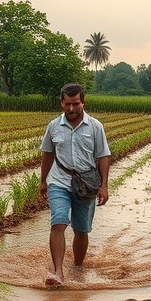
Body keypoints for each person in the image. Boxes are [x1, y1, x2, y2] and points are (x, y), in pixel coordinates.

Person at [39, 82, 111, 287]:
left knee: (81, 230)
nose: (71, 109)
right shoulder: (53, 126)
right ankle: (58, 273)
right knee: (58, 222)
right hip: (59, 181)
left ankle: (77, 267)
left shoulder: (95, 126)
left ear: (83, 102)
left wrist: (104, 185)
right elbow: (48, 154)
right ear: (61, 103)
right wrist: (43, 180)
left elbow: (103, 156)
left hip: (86, 184)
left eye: (76, 104)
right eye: (68, 104)